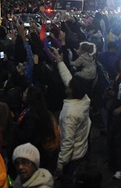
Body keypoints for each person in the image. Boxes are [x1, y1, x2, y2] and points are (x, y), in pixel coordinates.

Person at [52, 48, 91, 188]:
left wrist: (60, 165)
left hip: (73, 158)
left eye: (69, 87)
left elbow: (68, 142)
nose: (67, 86)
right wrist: (58, 59)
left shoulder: (70, 113)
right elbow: (67, 78)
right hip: (83, 150)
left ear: (72, 91)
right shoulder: (84, 99)